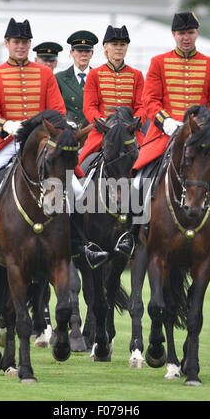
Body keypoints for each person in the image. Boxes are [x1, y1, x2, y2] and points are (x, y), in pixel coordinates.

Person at [0, 18, 107, 275]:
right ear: (7, 43)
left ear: (29, 44)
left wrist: (61, 123)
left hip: (41, 144)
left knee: (78, 191)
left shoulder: (44, 74)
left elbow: (57, 109)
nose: (21, 46)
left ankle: (82, 245)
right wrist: (5, 125)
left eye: (24, 42)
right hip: (6, 141)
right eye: (16, 42)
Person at [132, 11, 210, 263]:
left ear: (197, 33)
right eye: (181, 33)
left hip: (202, 139)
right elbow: (149, 100)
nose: (186, 37)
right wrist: (166, 121)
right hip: (167, 134)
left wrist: (207, 120)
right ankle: (130, 238)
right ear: (174, 34)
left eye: (190, 32)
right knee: (138, 180)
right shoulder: (158, 62)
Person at [76, 25, 147, 258]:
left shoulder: (137, 75)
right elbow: (89, 106)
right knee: (80, 171)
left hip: (130, 137)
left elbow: (142, 106)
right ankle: (75, 233)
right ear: (105, 48)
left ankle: (140, 229)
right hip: (102, 135)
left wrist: (134, 122)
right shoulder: (95, 75)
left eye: (122, 45)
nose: (119, 48)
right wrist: (103, 123)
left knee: (149, 175)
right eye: (115, 45)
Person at [55, 30, 98, 127]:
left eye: (87, 51)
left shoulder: (100, 77)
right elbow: (56, 107)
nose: (83, 54)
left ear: (92, 53)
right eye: (79, 50)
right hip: (68, 130)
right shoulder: (59, 78)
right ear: (72, 52)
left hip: (94, 129)